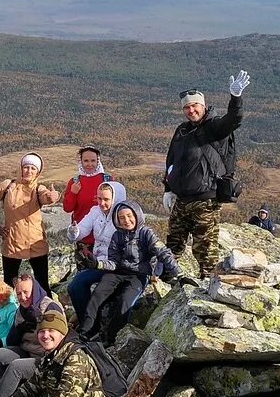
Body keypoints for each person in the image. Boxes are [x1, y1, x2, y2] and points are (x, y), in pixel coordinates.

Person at [163, 71, 250, 279]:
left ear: (203, 106)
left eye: (194, 106)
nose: (191, 110)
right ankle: (164, 282)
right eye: (187, 107)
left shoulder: (214, 127)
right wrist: (168, 189)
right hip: (181, 201)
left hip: (205, 200)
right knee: (173, 245)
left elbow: (233, 120)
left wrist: (235, 98)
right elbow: (171, 161)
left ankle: (208, 290)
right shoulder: (182, 130)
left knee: (205, 250)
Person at [81, 200, 185, 344]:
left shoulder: (146, 233)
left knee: (125, 302)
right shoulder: (117, 236)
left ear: (136, 215)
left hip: (139, 275)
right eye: (122, 218)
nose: (126, 220)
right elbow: (114, 262)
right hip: (118, 272)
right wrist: (98, 264)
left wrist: (178, 274)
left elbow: (162, 252)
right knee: (97, 294)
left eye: (129, 216)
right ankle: (86, 332)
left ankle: (113, 339)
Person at [0, 153, 61, 291]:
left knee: (42, 284)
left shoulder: (39, 188)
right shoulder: (7, 186)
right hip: (12, 242)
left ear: (38, 172)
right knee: (9, 285)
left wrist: (52, 197)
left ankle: (47, 311)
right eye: (26, 167)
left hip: (36, 242)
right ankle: (10, 312)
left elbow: (45, 197)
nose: (29, 171)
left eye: (33, 168)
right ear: (20, 168)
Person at [0, 274, 60, 397]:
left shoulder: (50, 307)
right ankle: (16, 385)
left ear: (35, 290)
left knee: (16, 366)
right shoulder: (21, 310)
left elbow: (58, 339)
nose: (22, 297)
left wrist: (38, 323)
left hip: (46, 358)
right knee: (0, 355)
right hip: (27, 351)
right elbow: (11, 341)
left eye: (26, 292)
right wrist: (20, 328)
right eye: (19, 293)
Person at [65, 181, 127, 323]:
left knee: (101, 291)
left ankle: (96, 324)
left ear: (116, 199)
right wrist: (74, 231)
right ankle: (85, 320)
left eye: (106, 199)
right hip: (98, 262)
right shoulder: (95, 211)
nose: (102, 203)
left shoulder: (123, 216)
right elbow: (81, 231)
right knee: (75, 286)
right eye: (99, 198)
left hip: (117, 266)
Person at [63, 146, 112, 249]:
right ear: (80, 162)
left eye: (93, 160)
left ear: (98, 161)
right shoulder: (75, 182)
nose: (90, 164)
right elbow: (67, 208)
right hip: (83, 237)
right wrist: (73, 193)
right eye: (86, 161)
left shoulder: (107, 180)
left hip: (105, 237)